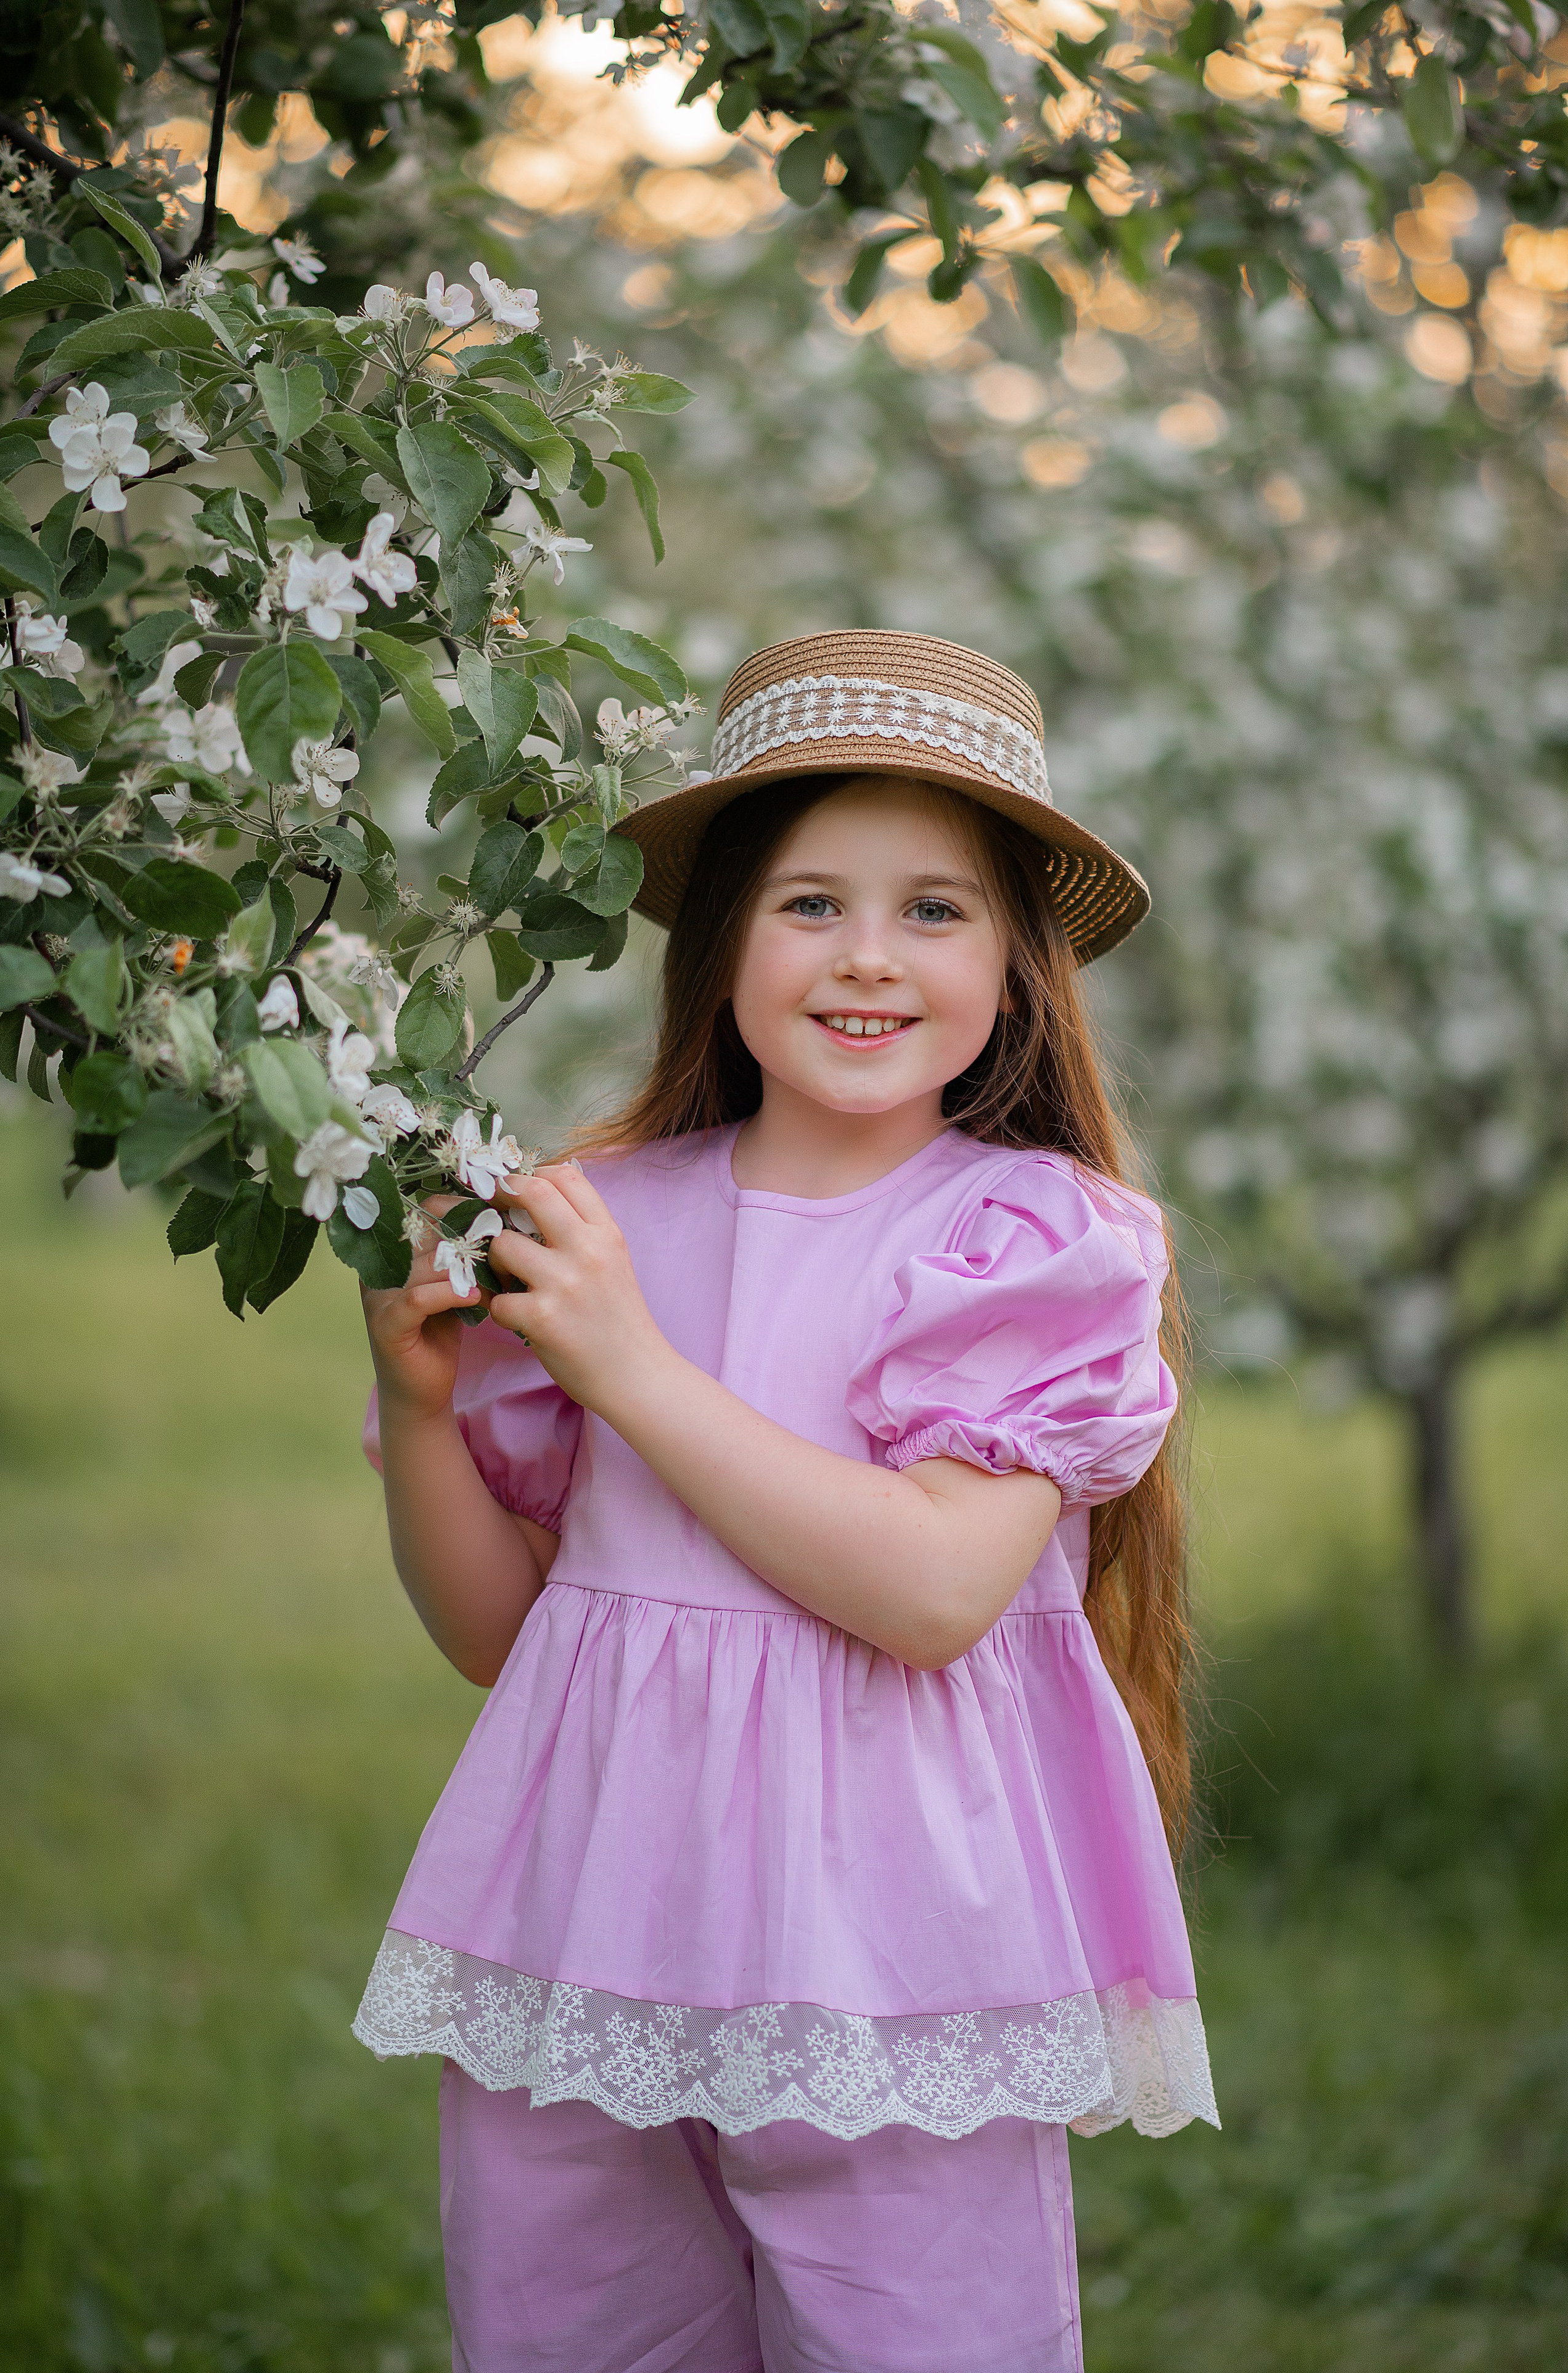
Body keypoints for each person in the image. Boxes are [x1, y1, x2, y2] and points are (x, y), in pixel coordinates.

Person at [355, 631, 1219, 2372]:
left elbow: (930, 1594)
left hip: (894, 1960)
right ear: (723, 932)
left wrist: (635, 1371)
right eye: (811, 902)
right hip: (589, 1922)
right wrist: (419, 1403)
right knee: (572, 2333)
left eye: (936, 910)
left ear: (1019, 963)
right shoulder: (598, 1219)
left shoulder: (1025, 1240)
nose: (869, 959)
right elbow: (502, 1640)